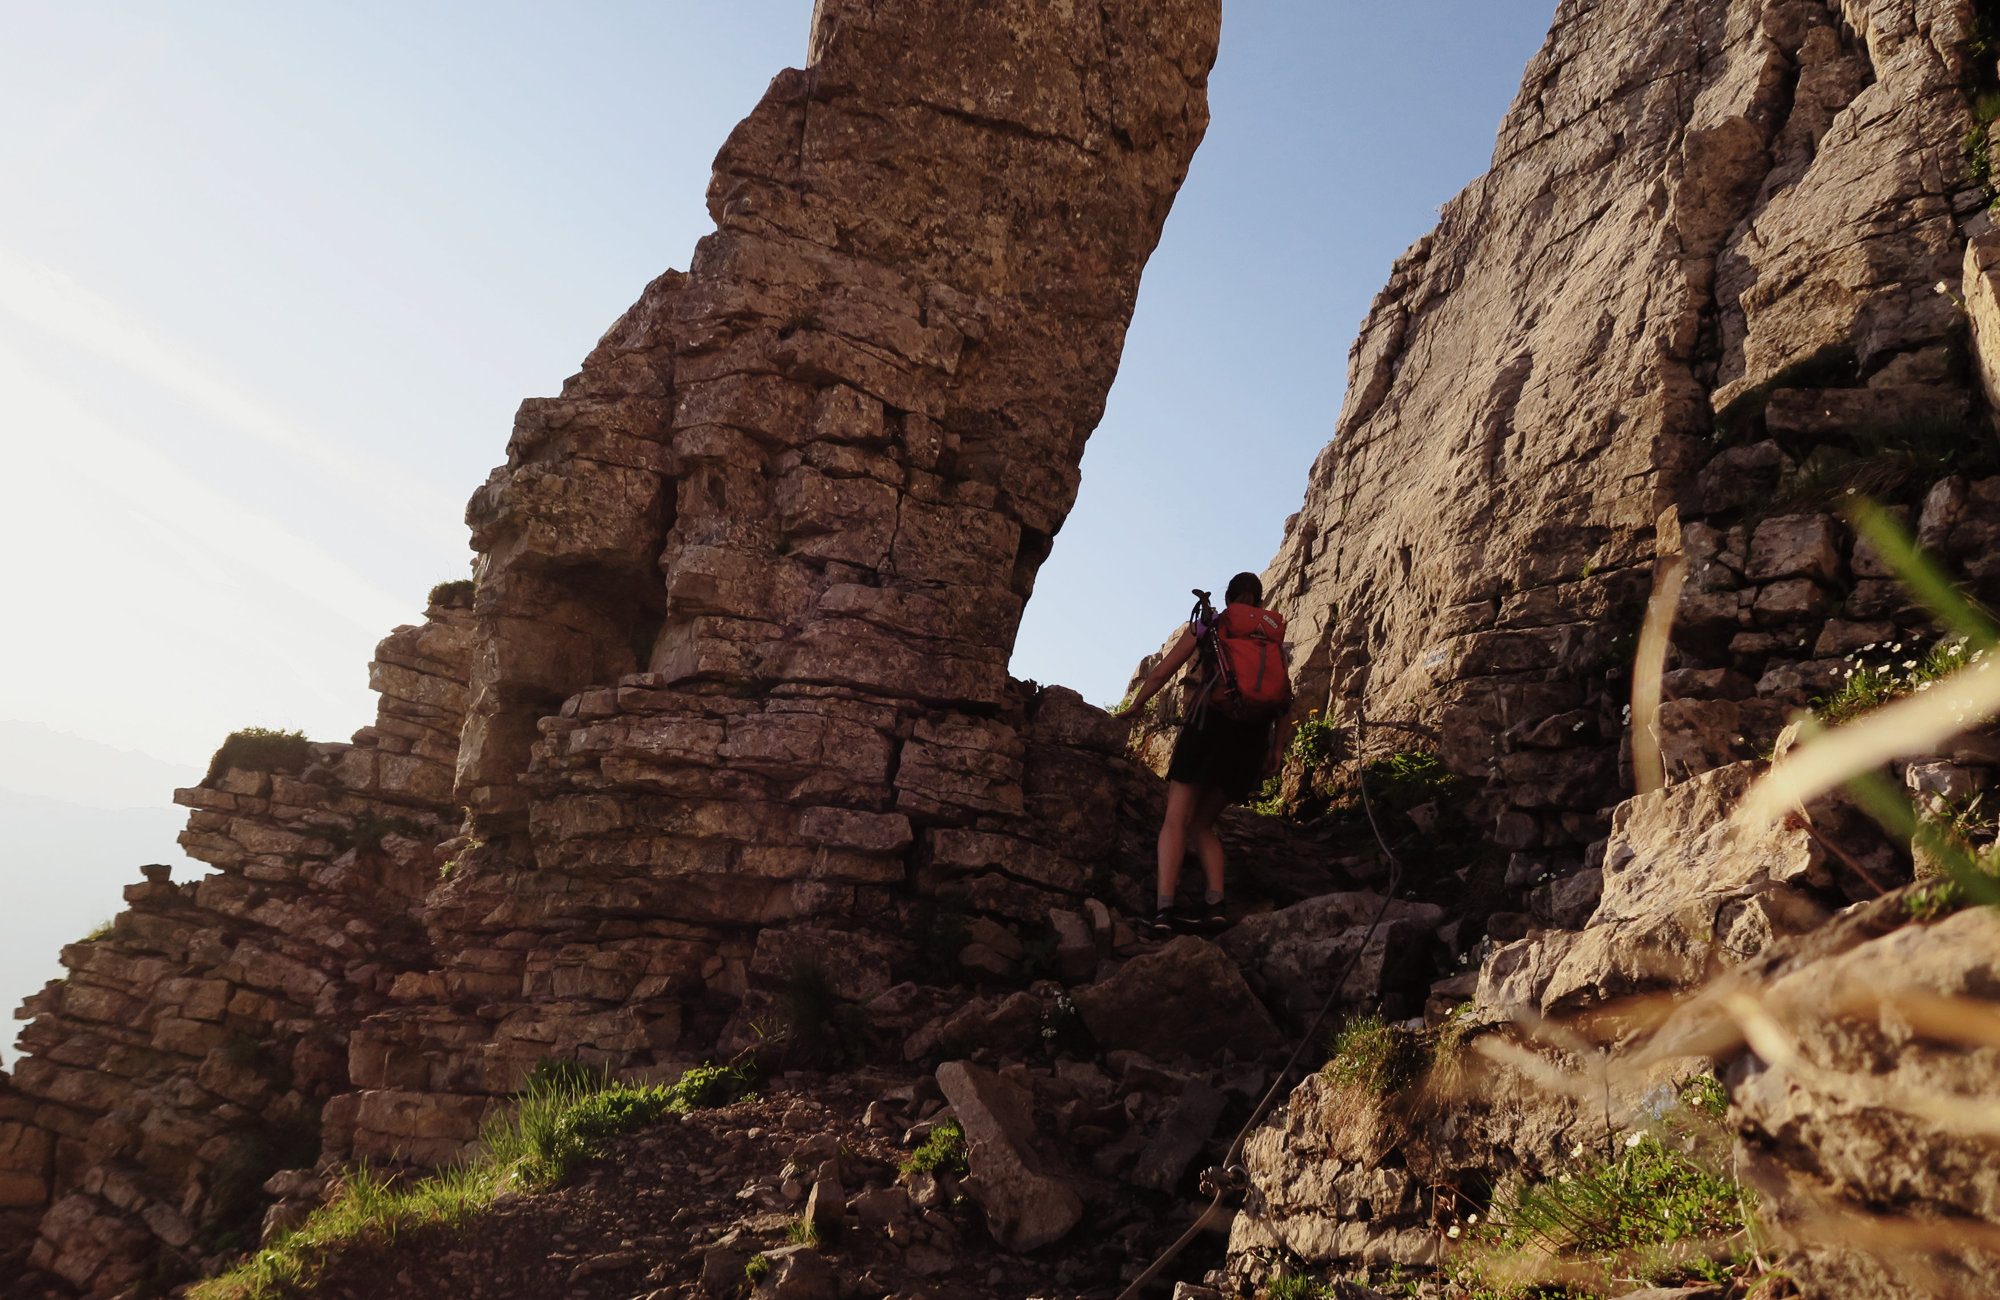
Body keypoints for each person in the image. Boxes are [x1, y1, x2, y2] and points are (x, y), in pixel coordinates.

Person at [1115, 572, 1287, 935]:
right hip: (1250, 741)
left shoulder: (1211, 623)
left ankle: (1163, 911)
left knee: (1176, 819)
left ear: (1228, 598)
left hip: (1207, 729)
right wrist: (1278, 748)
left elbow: (1163, 672)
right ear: (1259, 600)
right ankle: (1216, 906)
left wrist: (1135, 705)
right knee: (1203, 824)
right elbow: (1285, 700)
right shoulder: (1271, 639)